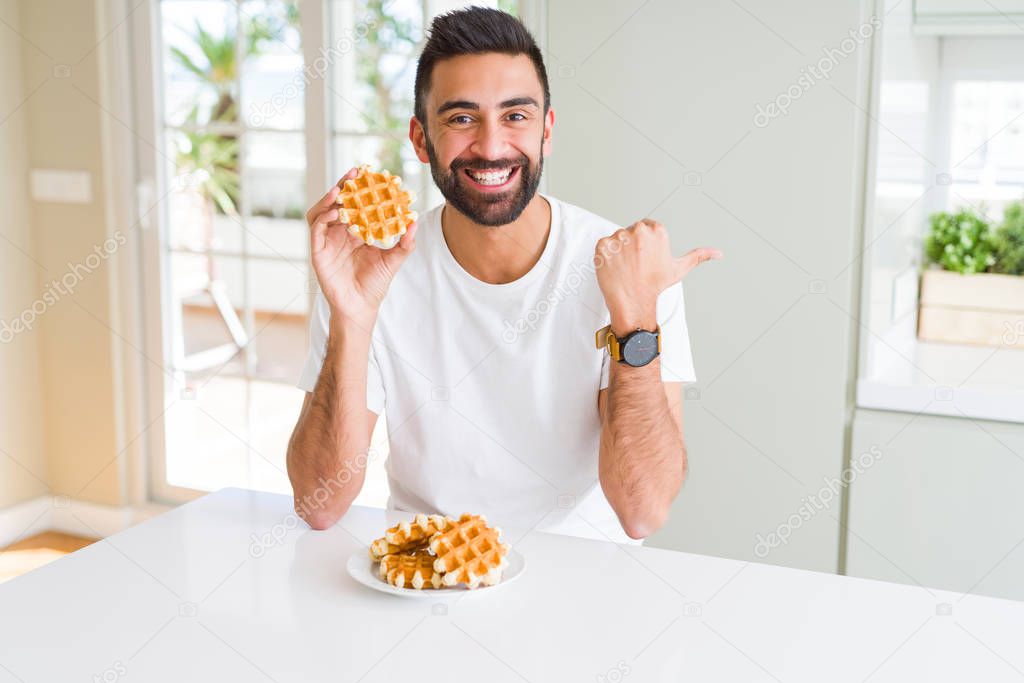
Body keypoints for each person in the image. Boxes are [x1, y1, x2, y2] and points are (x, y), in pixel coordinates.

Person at [287, 6, 720, 544]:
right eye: (462, 118)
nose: (492, 147)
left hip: (581, 580)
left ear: (546, 130)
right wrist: (352, 319)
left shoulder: (630, 270)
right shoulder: (371, 275)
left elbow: (643, 511)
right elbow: (319, 504)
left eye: (515, 116)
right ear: (421, 140)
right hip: (428, 573)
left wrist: (635, 324)